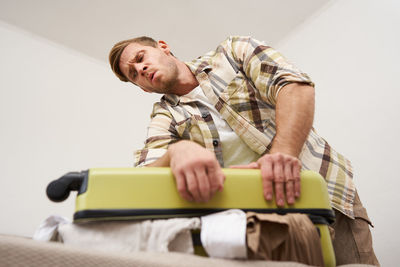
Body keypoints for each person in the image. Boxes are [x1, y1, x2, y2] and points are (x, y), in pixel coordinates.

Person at [108, 35, 379, 265]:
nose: (141, 69)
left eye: (141, 57)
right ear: (142, 89)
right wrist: (175, 152)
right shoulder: (164, 116)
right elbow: (144, 177)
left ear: (163, 46)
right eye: (134, 74)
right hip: (263, 225)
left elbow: (293, 85)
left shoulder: (232, 52)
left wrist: (282, 153)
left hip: (327, 194)